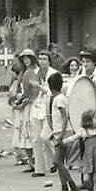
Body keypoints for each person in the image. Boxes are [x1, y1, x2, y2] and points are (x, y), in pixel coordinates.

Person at [46, 72, 80, 191]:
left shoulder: (58, 99)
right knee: (59, 162)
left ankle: (73, 188)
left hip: (63, 134)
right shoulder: (61, 98)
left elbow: (65, 117)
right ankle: (65, 190)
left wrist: (60, 135)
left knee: (57, 162)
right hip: (60, 132)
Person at [29, 50, 57, 178]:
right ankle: (39, 169)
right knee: (36, 139)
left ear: (49, 61)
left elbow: (52, 92)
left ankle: (54, 162)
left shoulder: (54, 74)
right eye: (40, 59)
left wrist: (39, 87)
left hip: (48, 109)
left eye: (45, 59)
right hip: (36, 108)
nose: (42, 61)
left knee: (45, 137)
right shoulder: (35, 74)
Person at [63, 109, 96, 191]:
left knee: (95, 179)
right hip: (88, 158)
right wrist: (63, 141)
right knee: (87, 179)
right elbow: (74, 137)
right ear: (88, 120)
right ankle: (90, 190)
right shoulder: (84, 131)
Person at [18, 49, 41, 174]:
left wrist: (28, 99)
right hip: (25, 104)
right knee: (25, 133)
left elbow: (36, 90)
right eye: (24, 58)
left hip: (36, 104)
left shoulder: (38, 71)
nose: (26, 60)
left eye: (28, 58)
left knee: (35, 132)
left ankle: (38, 162)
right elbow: (21, 88)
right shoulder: (23, 73)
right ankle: (31, 162)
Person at [8, 62, 32, 166]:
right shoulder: (15, 84)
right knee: (18, 130)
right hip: (18, 110)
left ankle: (27, 155)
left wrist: (22, 102)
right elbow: (10, 96)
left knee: (26, 130)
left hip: (26, 109)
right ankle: (20, 155)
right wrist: (14, 103)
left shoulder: (26, 83)